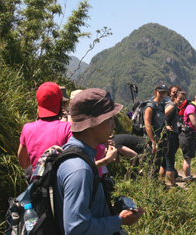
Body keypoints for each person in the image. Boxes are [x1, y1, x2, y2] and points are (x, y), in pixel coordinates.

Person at [54, 88, 145, 234]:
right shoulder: (79, 169)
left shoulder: (75, 154)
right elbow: (76, 229)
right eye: (109, 119)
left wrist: (112, 210)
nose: (114, 125)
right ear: (93, 123)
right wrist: (119, 220)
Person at [18, 82, 72, 173]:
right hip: (62, 184)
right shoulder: (68, 128)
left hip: (38, 184)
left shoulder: (27, 129)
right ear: (61, 103)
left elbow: (23, 164)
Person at [160, 90, 186, 186]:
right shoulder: (171, 106)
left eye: (183, 99)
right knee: (170, 161)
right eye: (179, 99)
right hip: (169, 136)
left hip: (170, 135)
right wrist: (166, 125)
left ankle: (161, 183)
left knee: (164, 162)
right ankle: (173, 185)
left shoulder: (174, 106)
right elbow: (162, 117)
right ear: (175, 98)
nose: (181, 101)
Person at [179, 90, 196, 180]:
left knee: (189, 157)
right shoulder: (191, 107)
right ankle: (188, 178)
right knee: (187, 158)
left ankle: (188, 176)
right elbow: (195, 123)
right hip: (187, 134)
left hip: (192, 134)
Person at [144, 83, 168, 178]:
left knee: (157, 164)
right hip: (151, 139)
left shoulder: (161, 106)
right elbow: (147, 124)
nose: (162, 95)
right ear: (155, 92)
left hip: (160, 139)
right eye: (160, 92)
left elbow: (162, 125)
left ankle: (155, 185)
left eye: (164, 93)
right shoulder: (150, 106)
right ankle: (149, 186)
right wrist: (153, 141)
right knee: (151, 164)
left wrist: (166, 141)